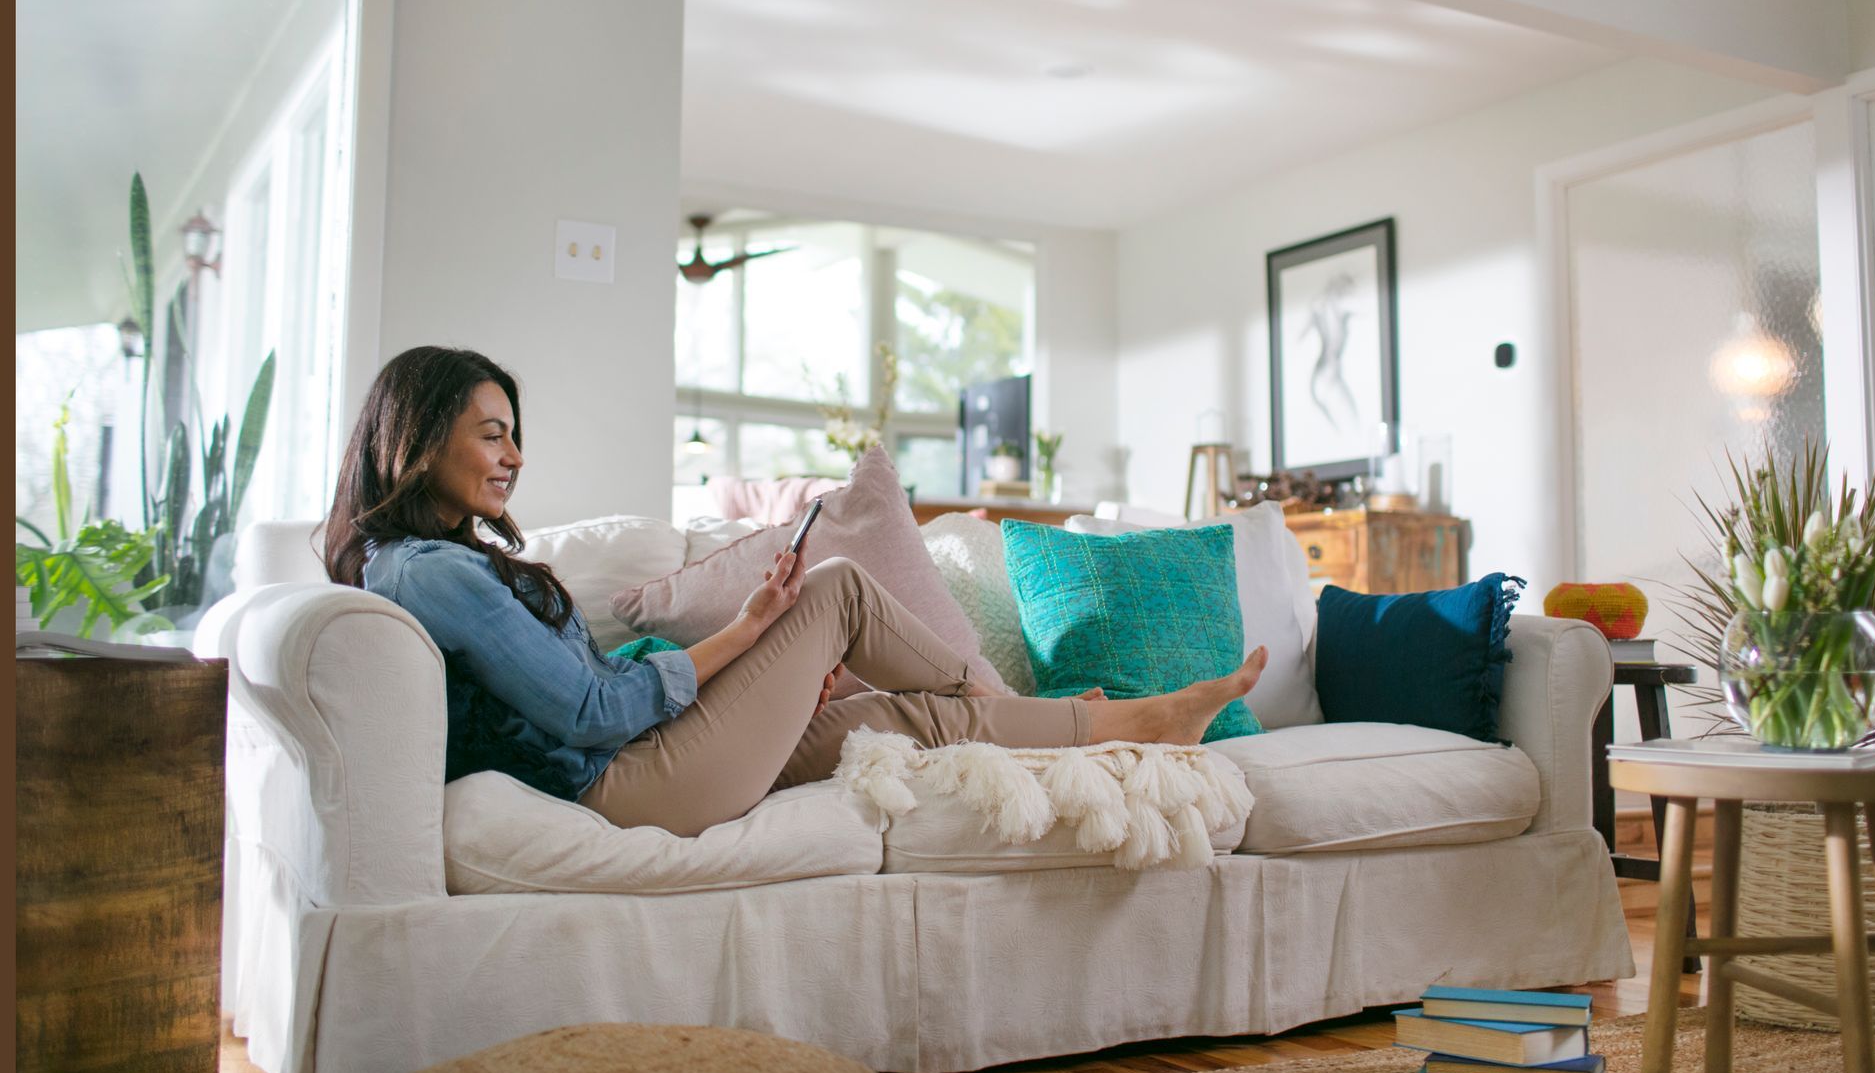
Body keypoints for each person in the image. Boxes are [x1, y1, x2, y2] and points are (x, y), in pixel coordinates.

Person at [323, 347, 1266, 837]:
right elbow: (588, 706)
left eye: (512, 433)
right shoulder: (428, 571)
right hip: (625, 786)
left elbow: (598, 681)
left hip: (650, 758)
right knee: (841, 590)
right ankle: (1019, 703)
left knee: (903, 719)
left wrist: (755, 645)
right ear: (418, 436)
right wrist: (749, 639)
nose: (515, 455)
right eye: (492, 434)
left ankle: (1140, 725)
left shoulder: (426, 562)